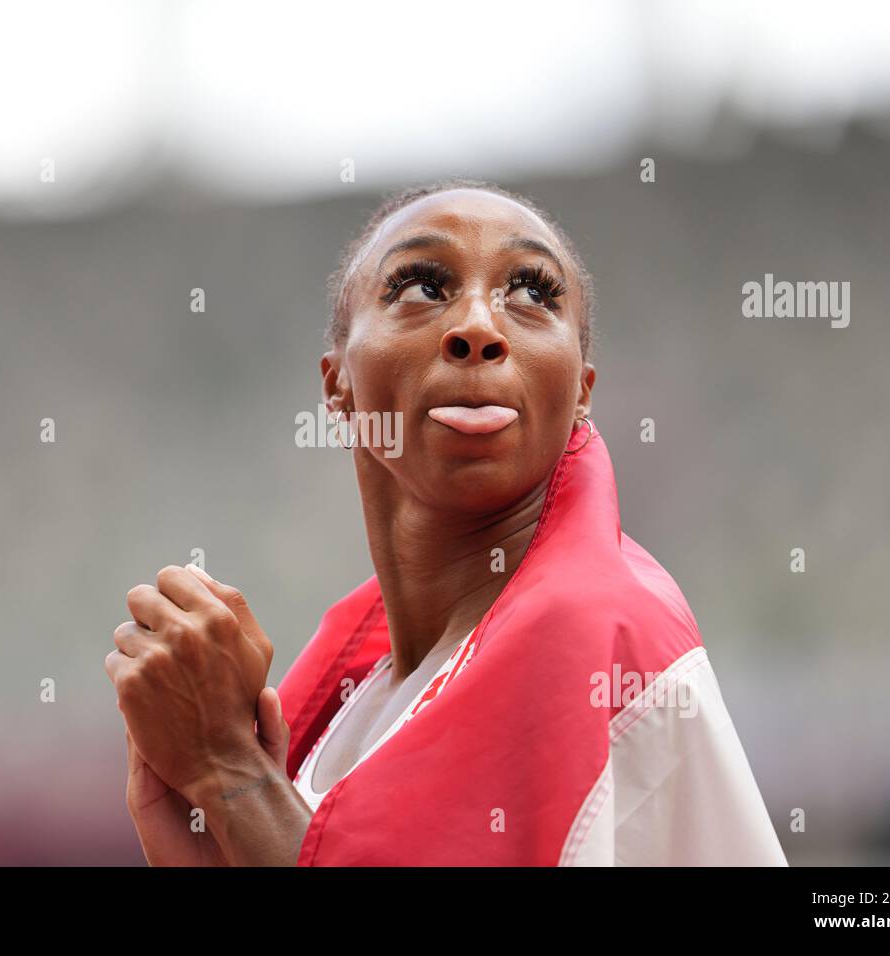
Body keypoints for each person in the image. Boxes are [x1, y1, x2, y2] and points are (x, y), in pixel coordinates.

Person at [104, 179, 788, 866]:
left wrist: (228, 771)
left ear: (581, 393)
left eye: (531, 293)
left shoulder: (613, 638)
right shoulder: (342, 704)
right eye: (422, 287)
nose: (480, 328)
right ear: (336, 385)